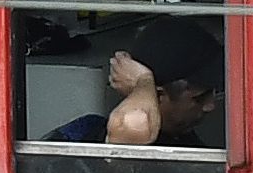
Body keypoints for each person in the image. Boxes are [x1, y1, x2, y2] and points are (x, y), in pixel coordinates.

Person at [48, 19, 222, 149]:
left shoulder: (184, 140)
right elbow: (134, 124)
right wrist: (144, 82)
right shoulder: (88, 137)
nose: (210, 106)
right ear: (158, 95)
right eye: (199, 98)